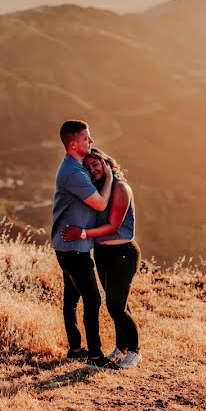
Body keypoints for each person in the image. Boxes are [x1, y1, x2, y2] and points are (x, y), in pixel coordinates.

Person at [62, 148, 141, 369]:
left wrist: (83, 234)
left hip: (122, 253)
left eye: (95, 164)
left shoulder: (120, 188)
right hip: (103, 253)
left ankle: (135, 351)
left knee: (116, 306)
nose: (92, 169)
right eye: (87, 167)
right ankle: (121, 348)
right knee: (117, 302)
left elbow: (114, 226)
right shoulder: (98, 192)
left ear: (106, 163)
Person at [51, 120, 120, 370]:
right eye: (86, 139)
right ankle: (95, 356)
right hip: (73, 250)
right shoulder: (73, 173)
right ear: (73, 144)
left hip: (68, 246)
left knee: (72, 299)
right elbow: (101, 204)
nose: (91, 142)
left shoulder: (75, 167)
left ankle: (75, 349)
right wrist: (111, 176)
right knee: (93, 300)